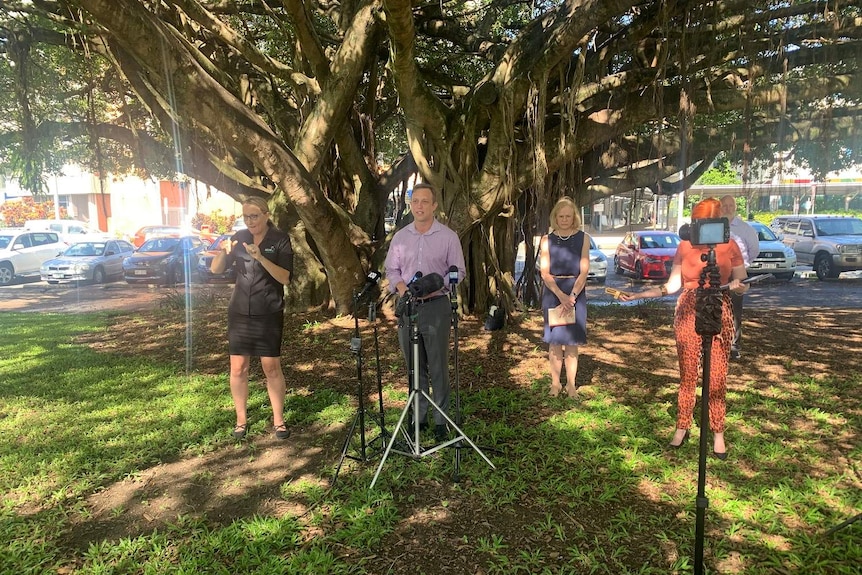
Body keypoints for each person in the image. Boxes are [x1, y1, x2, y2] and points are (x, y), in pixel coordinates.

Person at [620, 198, 748, 459]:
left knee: (718, 373)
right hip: (689, 306)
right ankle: (682, 425)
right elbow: (672, 285)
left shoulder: (730, 245)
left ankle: (718, 431)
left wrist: (738, 286)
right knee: (688, 372)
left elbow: (742, 280)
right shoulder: (684, 246)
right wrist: (638, 295)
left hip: (719, 305)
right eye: (698, 222)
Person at [384, 183, 466, 441]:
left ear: (434, 206)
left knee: (438, 364)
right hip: (408, 307)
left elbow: (457, 272)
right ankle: (417, 416)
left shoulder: (448, 237)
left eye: (424, 202)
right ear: (411, 205)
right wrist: (400, 288)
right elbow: (392, 271)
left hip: (437, 307)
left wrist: (436, 285)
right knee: (413, 364)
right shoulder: (400, 237)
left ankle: (441, 420)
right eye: (415, 201)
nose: (419, 206)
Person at [210, 197, 294, 440]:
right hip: (239, 312)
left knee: (271, 367)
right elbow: (216, 269)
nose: (250, 221)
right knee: (238, 368)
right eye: (246, 216)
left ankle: (278, 421)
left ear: (266, 215)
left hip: (268, 311)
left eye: (254, 216)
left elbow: (285, 278)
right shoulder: (239, 237)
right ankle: (241, 421)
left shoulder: (280, 239)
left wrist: (261, 258)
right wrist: (223, 253)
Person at [538, 197, 590, 398]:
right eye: (561, 216)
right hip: (554, 293)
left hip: (576, 291)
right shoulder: (546, 240)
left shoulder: (583, 238)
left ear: (574, 217)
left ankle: (571, 385)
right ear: (555, 218)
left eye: (568, 216)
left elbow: (584, 271)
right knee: (554, 341)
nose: (565, 219)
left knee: (571, 343)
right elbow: (544, 272)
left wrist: (572, 296)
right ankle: (555, 384)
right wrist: (561, 296)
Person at [720, 195, 759, 360]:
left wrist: (741, 266)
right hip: (718, 273)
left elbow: (754, 250)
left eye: (731, 205)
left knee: (735, 311)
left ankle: (734, 346)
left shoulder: (745, 229)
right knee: (717, 309)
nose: (728, 208)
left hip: (738, 273)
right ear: (720, 207)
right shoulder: (713, 226)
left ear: (735, 207)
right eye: (725, 205)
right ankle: (717, 344)